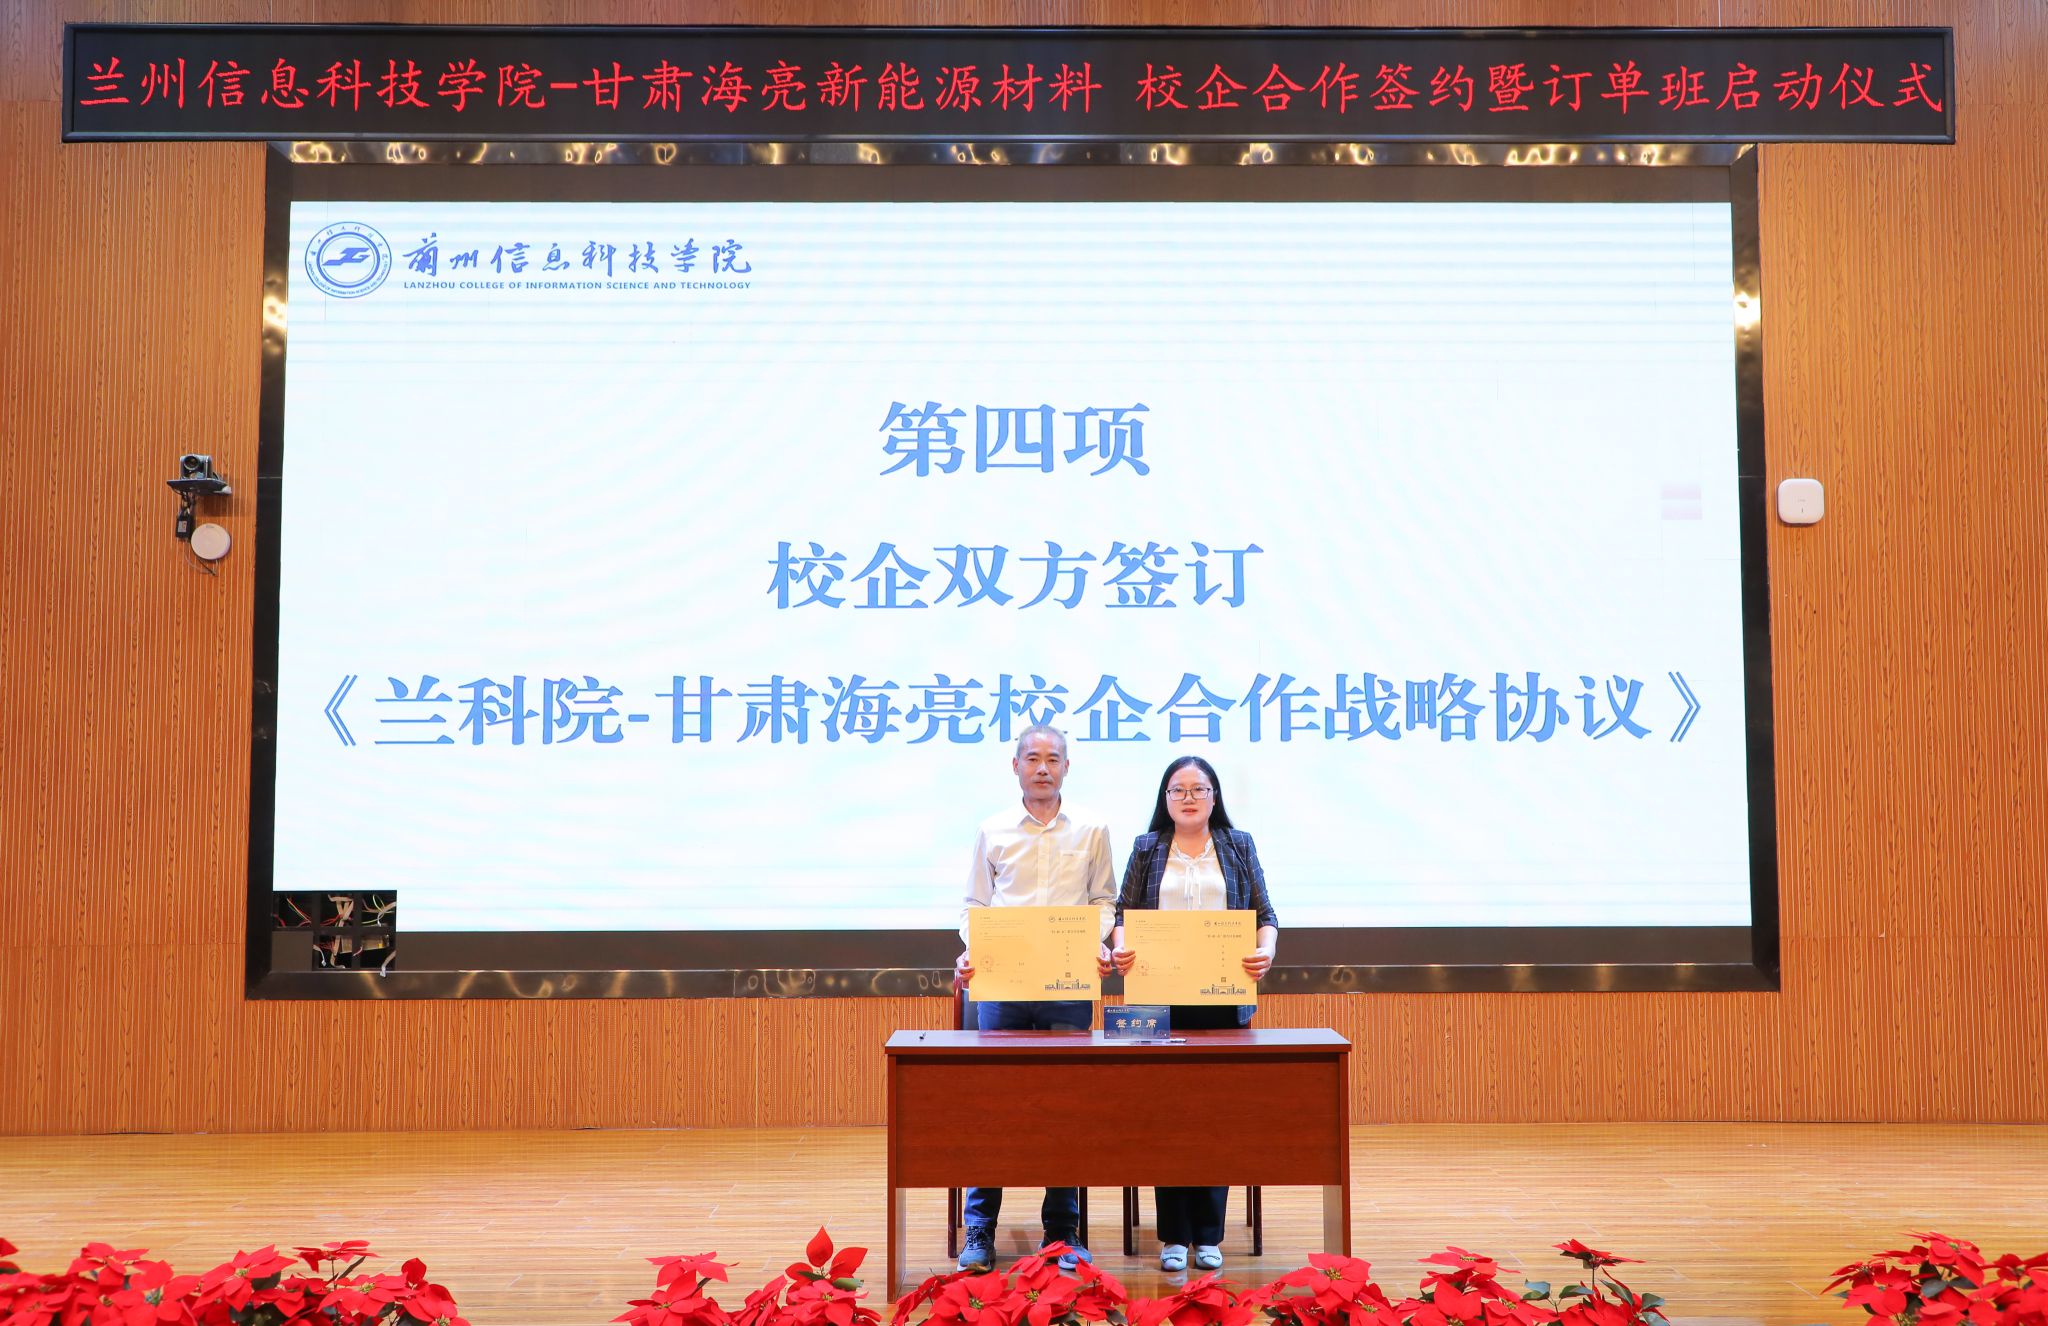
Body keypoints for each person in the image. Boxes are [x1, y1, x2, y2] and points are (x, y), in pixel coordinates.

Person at [954, 723, 1115, 1275]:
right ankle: (980, 1227)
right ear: (1016, 765)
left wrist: (1093, 940)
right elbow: (974, 904)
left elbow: (1103, 900)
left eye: (1053, 759)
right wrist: (975, 949)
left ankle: (1062, 1229)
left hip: (1067, 985)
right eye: (1032, 758)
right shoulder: (992, 829)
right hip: (1003, 985)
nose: (1042, 768)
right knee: (992, 1105)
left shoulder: (1092, 829)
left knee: (1066, 1105)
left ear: (1067, 766)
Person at [1109, 755, 1278, 1275]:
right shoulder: (1147, 847)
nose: (1188, 798)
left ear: (1214, 796)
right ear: (1165, 798)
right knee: (1166, 1114)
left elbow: (1266, 915)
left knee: (1215, 1114)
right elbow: (1122, 915)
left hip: (1222, 998)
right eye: (1177, 789)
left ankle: (1208, 1235)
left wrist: (1265, 951)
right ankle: (1173, 1236)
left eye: (1198, 789)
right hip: (1157, 999)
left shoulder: (1238, 844)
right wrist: (1121, 947)